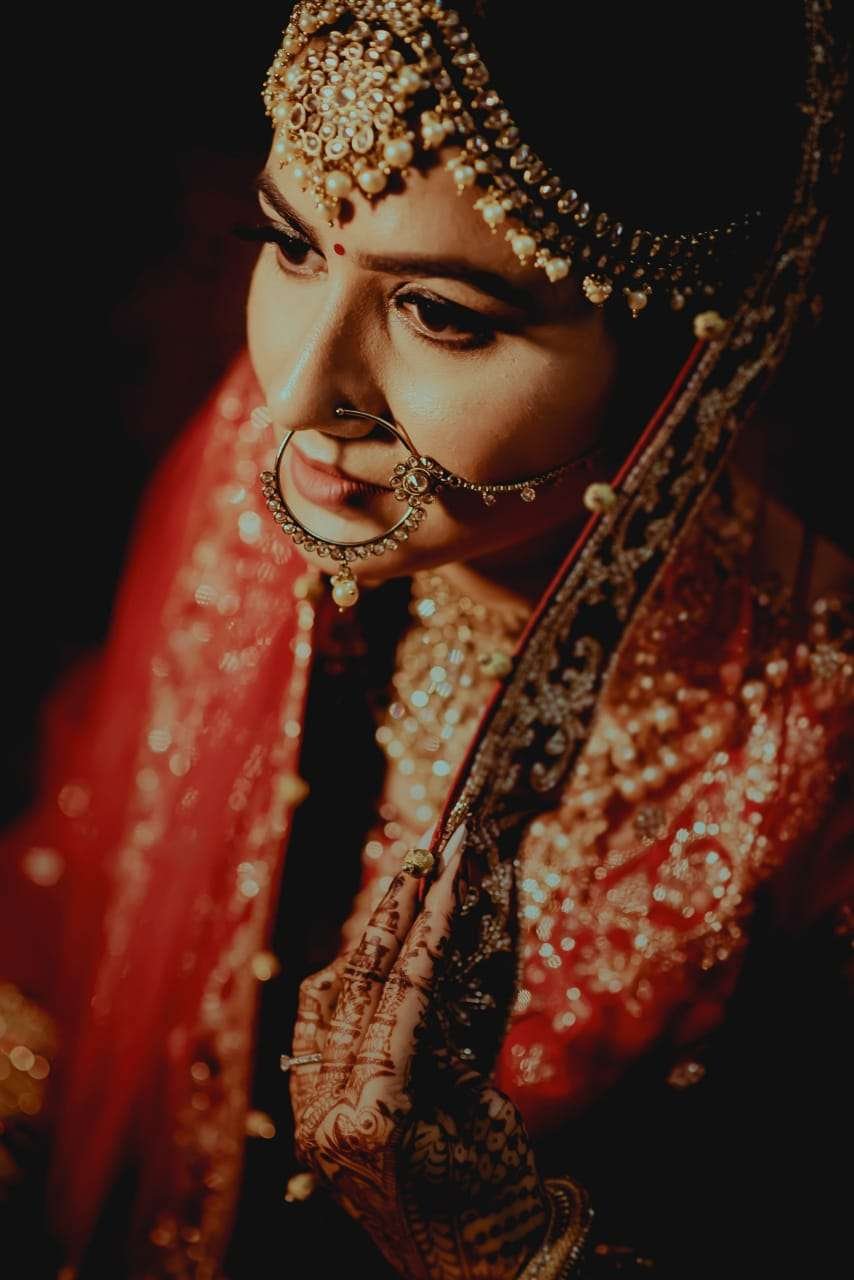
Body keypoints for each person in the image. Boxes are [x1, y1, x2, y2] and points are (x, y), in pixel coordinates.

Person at [1, 2, 851, 1277]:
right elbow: (82, 886)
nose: (300, 392)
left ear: (690, 360)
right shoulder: (277, 471)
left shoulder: (811, 742)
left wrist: (513, 1249)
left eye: (442, 316)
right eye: (291, 246)